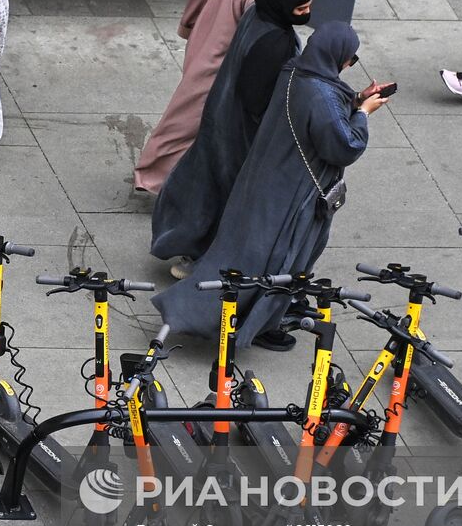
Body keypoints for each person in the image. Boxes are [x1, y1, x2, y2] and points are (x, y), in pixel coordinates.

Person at [153, 22, 389, 350]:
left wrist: (355, 99)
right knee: (280, 261)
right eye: (350, 58)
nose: (349, 64)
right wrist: (362, 113)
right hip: (292, 195)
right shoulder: (320, 94)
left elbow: (323, 111)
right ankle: (255, 323)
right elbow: (343, 144)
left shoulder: (294, 72)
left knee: (240, 255)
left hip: (264, 182)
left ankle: (214, 312)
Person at [149, 0, 316, 279]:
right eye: (301, 9)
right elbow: (259, 99)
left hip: (221, 115)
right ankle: (206, 261)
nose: (307, 14)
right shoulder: (275, 42)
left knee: (208, 184)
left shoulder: (258, 15)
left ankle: (189, 247)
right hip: (242, 133)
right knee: (232, 195)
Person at [133, 0, 284, 193]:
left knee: (192, 112)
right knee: (189, 117)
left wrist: (188, 28)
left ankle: (176, 177)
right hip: (220, 59)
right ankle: (151, 174)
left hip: (201, 43)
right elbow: (253, 31)